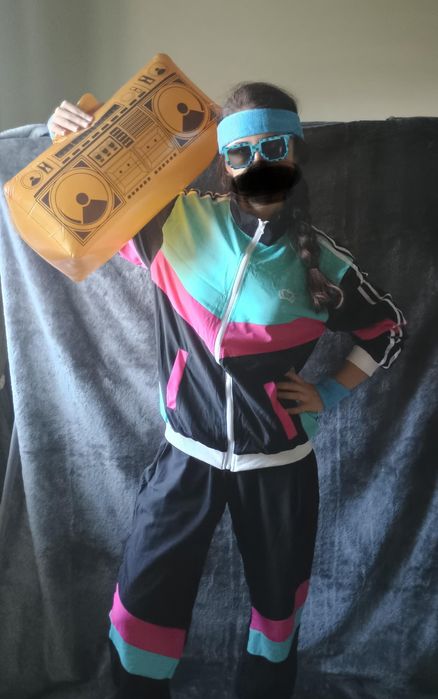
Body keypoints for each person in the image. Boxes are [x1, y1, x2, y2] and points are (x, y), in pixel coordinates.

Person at [47, 82, 407, 699]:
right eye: (242, 151)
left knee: (278, 614)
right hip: (185, 457)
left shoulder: (326, 264)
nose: (259, 163)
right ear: (224, 161)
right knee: (140, 610)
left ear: (296, 151)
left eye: (275, 148)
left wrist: (329, 394)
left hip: (279, 469)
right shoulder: (174, 222)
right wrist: (73, 146)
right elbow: (78, 212)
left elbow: (387, 329)